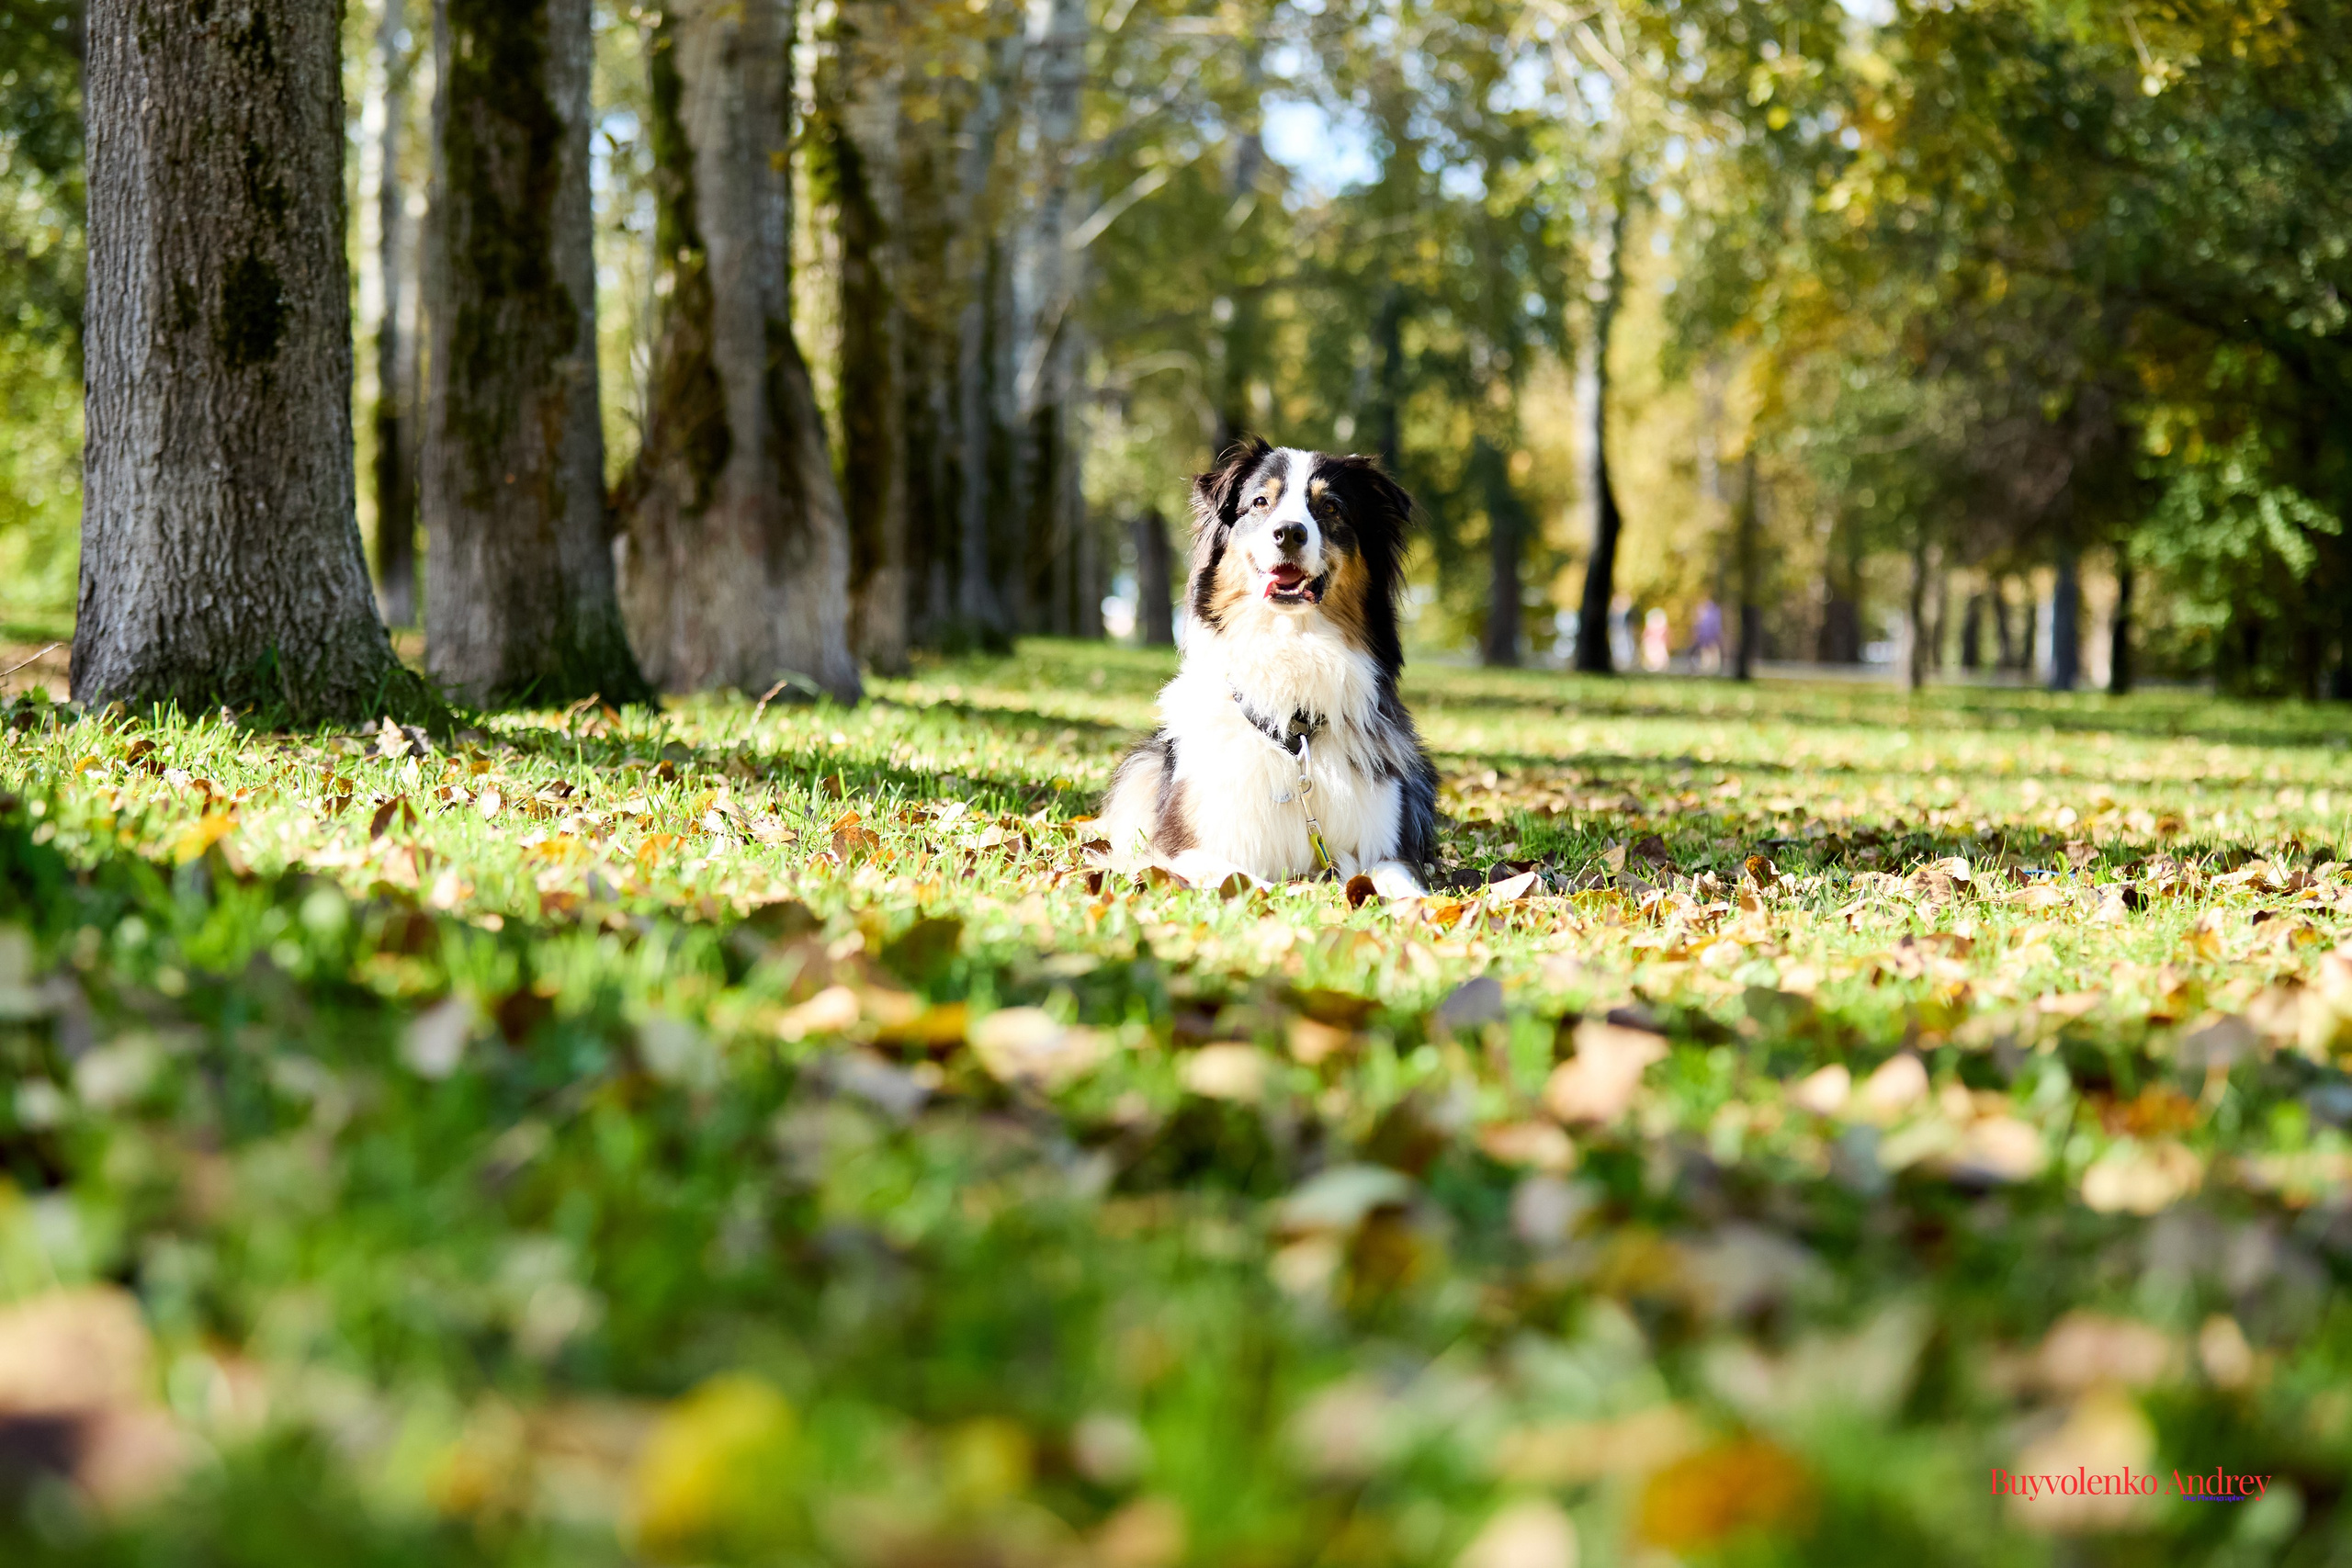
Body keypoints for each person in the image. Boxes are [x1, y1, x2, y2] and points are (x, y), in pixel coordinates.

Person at [1693, 596, 1724, 674]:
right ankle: (1709, 670)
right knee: (1706, 655)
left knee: (1711, 654)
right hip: (1706, 638)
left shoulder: (1711, 613)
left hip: (1710, 637)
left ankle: (1712, 670)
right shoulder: (1710, 612)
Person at [1641, 606, 1670, 671]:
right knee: (1651, 656)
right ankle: (1652, 667)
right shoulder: (1650, 625)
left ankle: (1659, 667)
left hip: (1659, 644)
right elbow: (1646, 634)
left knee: (1660, 656)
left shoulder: (1662, 626)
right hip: (1652, 643)